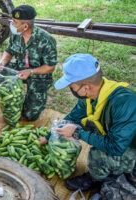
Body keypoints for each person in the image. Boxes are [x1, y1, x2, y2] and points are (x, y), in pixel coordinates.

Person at [38, 54, 136, 191]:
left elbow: (116, 147)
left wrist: (77, 133)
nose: (70, 90)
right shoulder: (91, 96)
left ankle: (97, 178)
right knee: (87, 124)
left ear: (86, 88)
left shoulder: (124, 102)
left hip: (128, 147)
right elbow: (73, 117)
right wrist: (49, 137)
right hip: (119, 139)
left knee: (97, 154)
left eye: (71, 87)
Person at [0, 5, 58, 121]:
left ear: (25, 26)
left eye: (15, 22)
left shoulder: (46, 40)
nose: (11, 24)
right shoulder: (16, 35)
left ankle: (36, 100)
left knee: (29, 116)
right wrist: (2, 62)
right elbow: (9, 51)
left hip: (39, 76)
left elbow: (50, 67)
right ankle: (8, 94)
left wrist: (31, 72)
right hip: (20, 70)